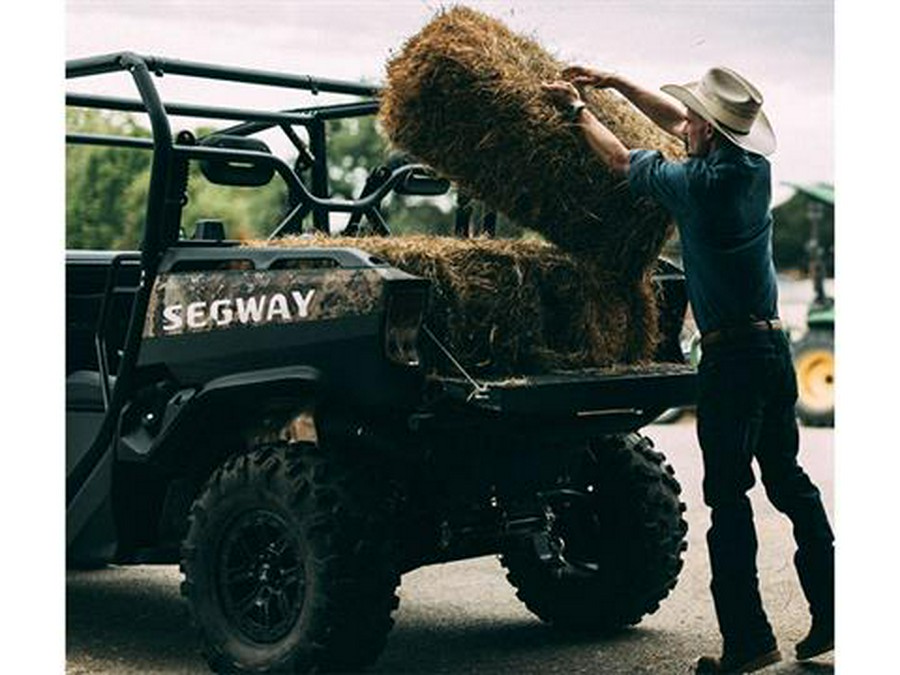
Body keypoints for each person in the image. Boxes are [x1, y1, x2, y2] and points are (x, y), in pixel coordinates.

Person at [542, 67, 834, 673]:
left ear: (711, 134)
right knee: (790, 483)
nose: (685, 126)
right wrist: (615, 82)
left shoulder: (699, 185)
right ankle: (835, 611)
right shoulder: (753, 169)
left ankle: (748, 641)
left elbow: (623, 162)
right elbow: (676, 121)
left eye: (696, 120)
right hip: (774, 351)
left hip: (732, 359)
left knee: (728, 499)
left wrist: (576, 110)